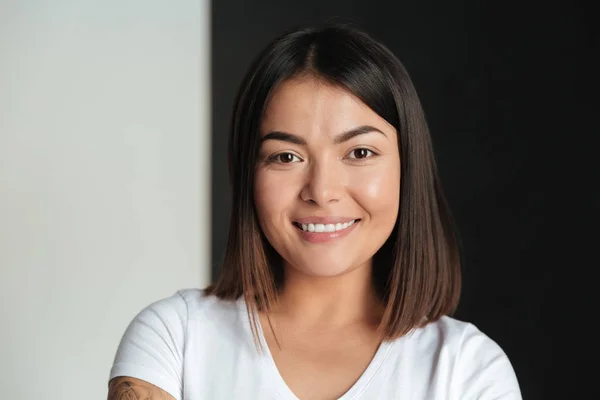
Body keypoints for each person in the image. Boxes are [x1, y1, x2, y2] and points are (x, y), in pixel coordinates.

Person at [107, 22, 522, 400]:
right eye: (286, 157)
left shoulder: (468, 370)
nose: (322, 191)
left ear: (407, 167)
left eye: (359, 152)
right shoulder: (173, 338)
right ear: (247, 173)